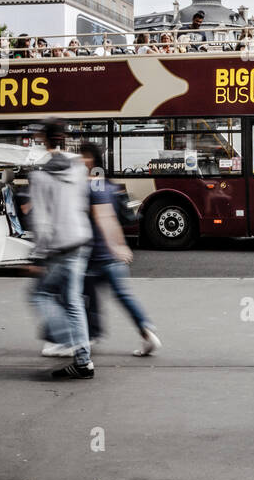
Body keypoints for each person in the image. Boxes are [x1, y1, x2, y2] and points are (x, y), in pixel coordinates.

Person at [79, 142, 162, 356]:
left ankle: (90, 337)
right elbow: (113, 219)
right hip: (109, 254)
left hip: (96, 254)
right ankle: (146, 331)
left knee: (87, 297)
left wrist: (116, 247)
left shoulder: (93, 186)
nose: (80, 161)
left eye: (83, 156)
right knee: (121, 296)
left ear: (91, 160)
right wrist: (120, 245)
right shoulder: (109, 185)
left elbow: (104, 217)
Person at [29, 118, 95, 378]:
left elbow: (41, 221)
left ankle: (68, 339)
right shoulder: (78, 167)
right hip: (81, 239)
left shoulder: (38, 174)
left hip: (60, 246)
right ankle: (82, 360)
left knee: (40, 295)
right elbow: (81, 201)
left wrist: (37, 255)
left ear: (43, 138)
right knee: (73, 301)